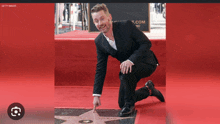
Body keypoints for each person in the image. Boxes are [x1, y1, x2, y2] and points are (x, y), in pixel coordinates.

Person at [91, 3, 165, 117]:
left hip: (147, 62)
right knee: (122, 103)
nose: (100, 23)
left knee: (125, 73)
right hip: (128, 70)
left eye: (102, 19)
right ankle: (149, 90)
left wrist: (131, 60)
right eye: (96, 21)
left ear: (109, 17)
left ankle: (130, 105)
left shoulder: (126, 25)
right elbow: (101, 68)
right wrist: (96, 95)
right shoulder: (99, 41)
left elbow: (146, 43)